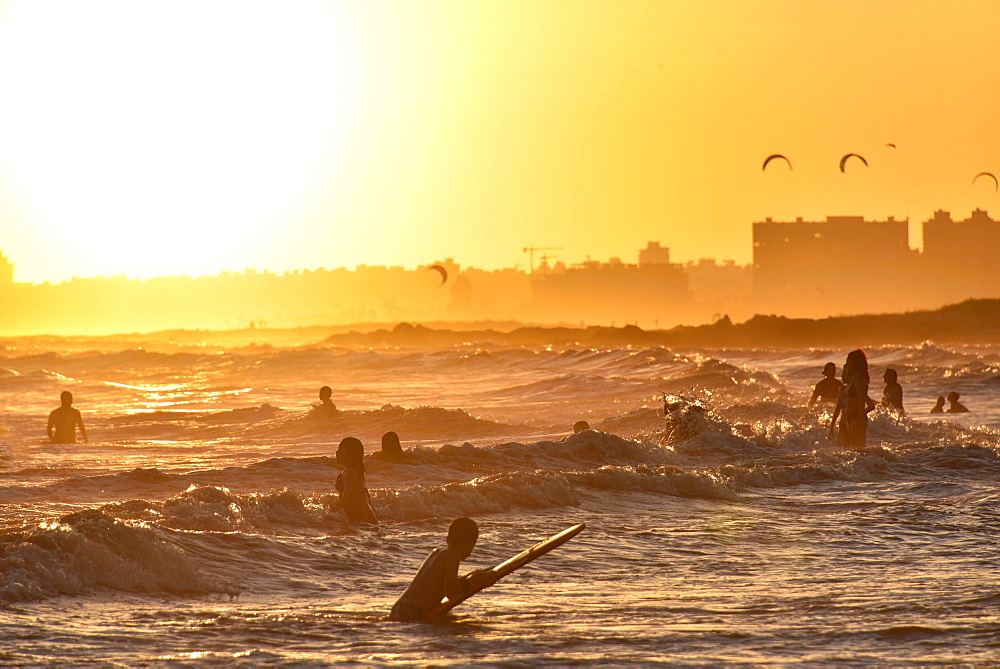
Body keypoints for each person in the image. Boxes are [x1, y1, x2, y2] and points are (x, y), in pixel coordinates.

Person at [389, 517, 496, 622]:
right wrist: (473, 579)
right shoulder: (452, 555)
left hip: (400, 607)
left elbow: (445, 583)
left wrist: (475, 574)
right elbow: (451, 592)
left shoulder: (438, 552)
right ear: (470, 543)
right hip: (412, 611)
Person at [829, 349, 875, 448]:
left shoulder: (860, 380)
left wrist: (859, 419)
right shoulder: (854, 379)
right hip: (850, 417)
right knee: (851, 448)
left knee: (858, 448)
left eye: (849, 361)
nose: (847, 364)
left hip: (856, 418)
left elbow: (861, 402)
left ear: (855, 363)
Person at [335, 437, 377, 524]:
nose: (337, 452)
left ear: (350, 454)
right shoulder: (350, 471)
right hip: (363, 519)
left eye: (341, 450)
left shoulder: (351, 473)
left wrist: (329, 508)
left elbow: (345, 501)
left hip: (364, 520)